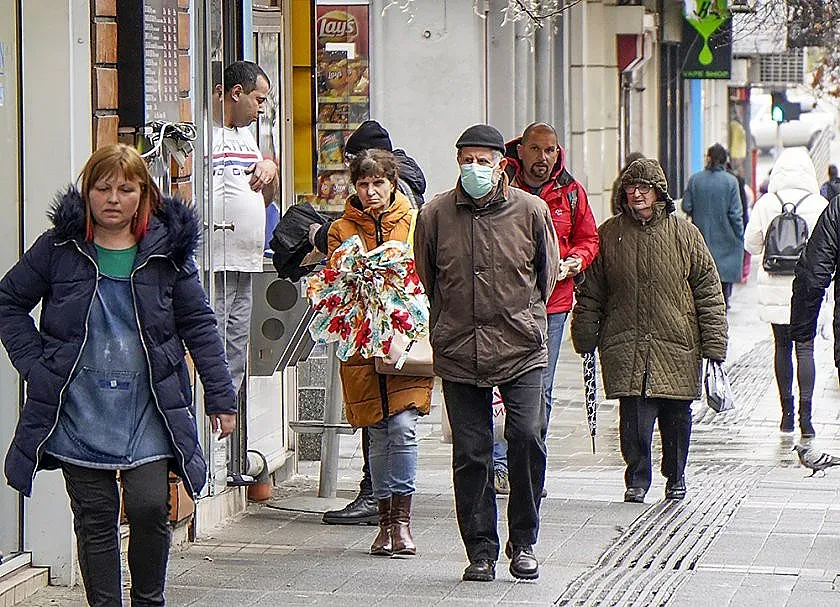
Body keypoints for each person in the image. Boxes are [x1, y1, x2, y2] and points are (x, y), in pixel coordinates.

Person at [0, 144, 237, 606]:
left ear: (143, 195)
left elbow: (200, 325)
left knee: (150, 507)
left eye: (125, 189)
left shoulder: (167, 254)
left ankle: (150, 600)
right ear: (86, 193)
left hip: (149, 408)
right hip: (78, 408)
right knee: (96, 517)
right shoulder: (58, 249)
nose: (113, 198)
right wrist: (35, 365)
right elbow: (8, 303)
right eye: (102, 187)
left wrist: (221, 397)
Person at [414, 124, 560, 582]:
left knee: (527, 436)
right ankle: (480, 548)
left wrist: (524, 317)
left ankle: (524, 541)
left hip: (520, 346)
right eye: (467, 159)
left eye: (484, 160)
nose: (475, 168)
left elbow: (546, 275)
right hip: (459, 347)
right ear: (457, 161)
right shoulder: (435, 213)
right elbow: (427, 277)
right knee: (472, 452)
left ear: (502, 164)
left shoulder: (531, 210)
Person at [571, 158, 727, 504]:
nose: (637, 194)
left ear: (660, 192)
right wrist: (585, 333)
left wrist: (714, 345)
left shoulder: (685, 233)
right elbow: (592, 290)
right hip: (627, 342)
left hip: (677, 343)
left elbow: (708, 291)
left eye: (644, 187)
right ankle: (638, 478)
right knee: (634, 423)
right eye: (631, 187)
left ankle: (676, 476)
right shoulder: (610, 234)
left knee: (676, 420)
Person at [320, 121, 428, 527]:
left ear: (393, 182)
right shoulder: (341, 229)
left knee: (402, 425)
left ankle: (401, 520)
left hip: (405, 339)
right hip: (361, 341)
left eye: (379, 182)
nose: (371, 191)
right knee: (377, 429)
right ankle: (385, 519)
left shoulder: (417, 221)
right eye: (364, 184)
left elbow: (428, 273)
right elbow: (335, 284)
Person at [490, 122, 599, 494]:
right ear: (520, 150)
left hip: (552, 304)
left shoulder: (570, 191)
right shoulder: (500, 184)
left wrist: (576, 262)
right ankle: (500, 464)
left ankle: (530, 466)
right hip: (502, 303)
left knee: (541, 388)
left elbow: (588, 238)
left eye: (550, 151)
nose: (543, 158)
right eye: (536, 150)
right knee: (498, 385)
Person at [745, 148, 827, 437]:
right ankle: (807, 418)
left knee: (782, 347)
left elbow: (752, 245)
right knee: (805, 348)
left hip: (775, 287)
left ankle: (786, 415)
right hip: (807, 286)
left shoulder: (767, 203)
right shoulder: (819, 204)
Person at [212, 60, 279, 396]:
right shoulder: (206, 134)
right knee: (214, 340)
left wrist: (269, 169)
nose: (261, 108)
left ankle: (226, 418)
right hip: (215, 262)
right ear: (236, 93)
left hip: (246, 260)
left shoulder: (247, 136)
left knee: (236, 346)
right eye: (259, 99)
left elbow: (265, 197)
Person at [682, 143, 744, 309]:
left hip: (701, 238)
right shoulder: (731, 182)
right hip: (727, 240)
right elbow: (736, 214)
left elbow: (686, 206)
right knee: (723, 283)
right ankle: (723, 304)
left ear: (708, 158)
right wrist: (739, 236)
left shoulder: (695, 180)